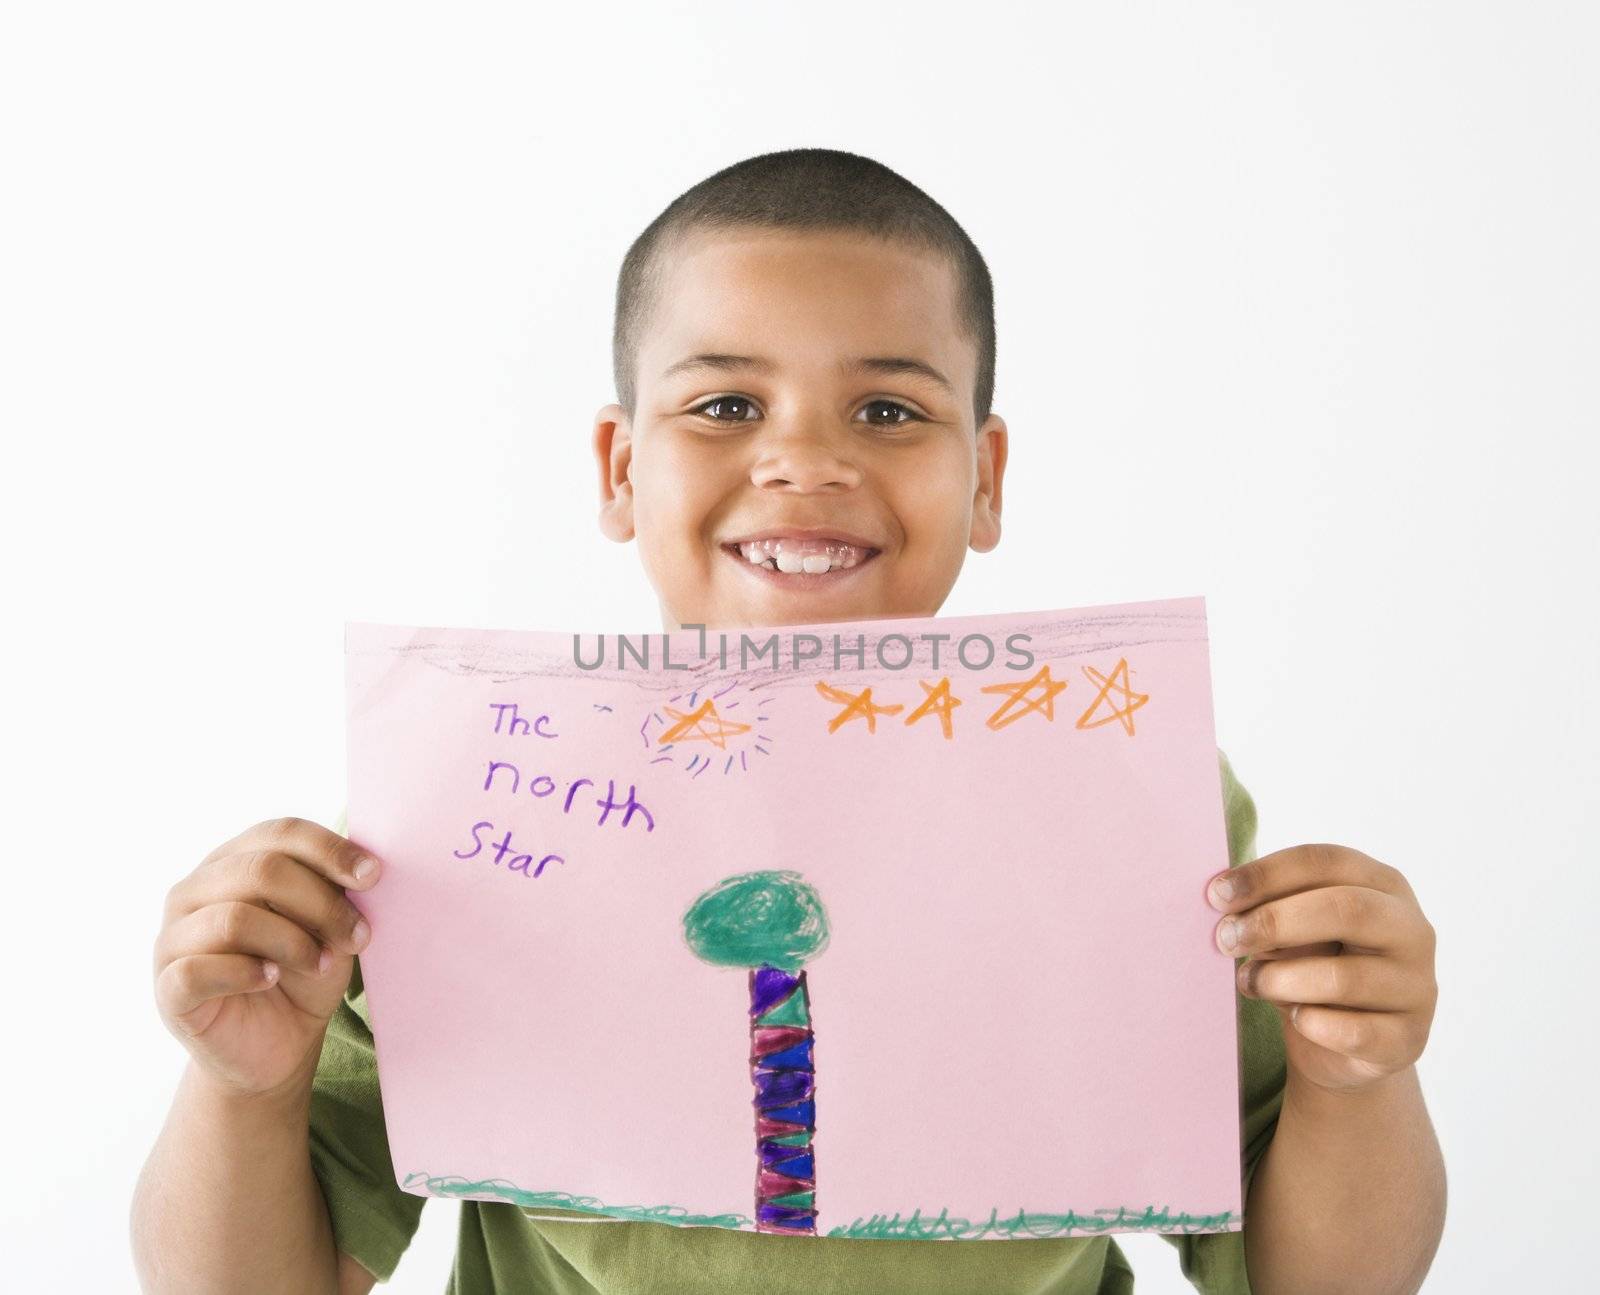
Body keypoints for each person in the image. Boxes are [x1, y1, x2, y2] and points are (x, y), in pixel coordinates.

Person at [132, 148, 1445, 1294]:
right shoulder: (459, 810)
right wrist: (245, 1091)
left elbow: (1317, 1278)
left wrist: (1354, 1082)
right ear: (620, 468)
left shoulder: (1137, 794)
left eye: (889, 409)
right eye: (724, 405)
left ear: (982, 479)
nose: (805, 462)